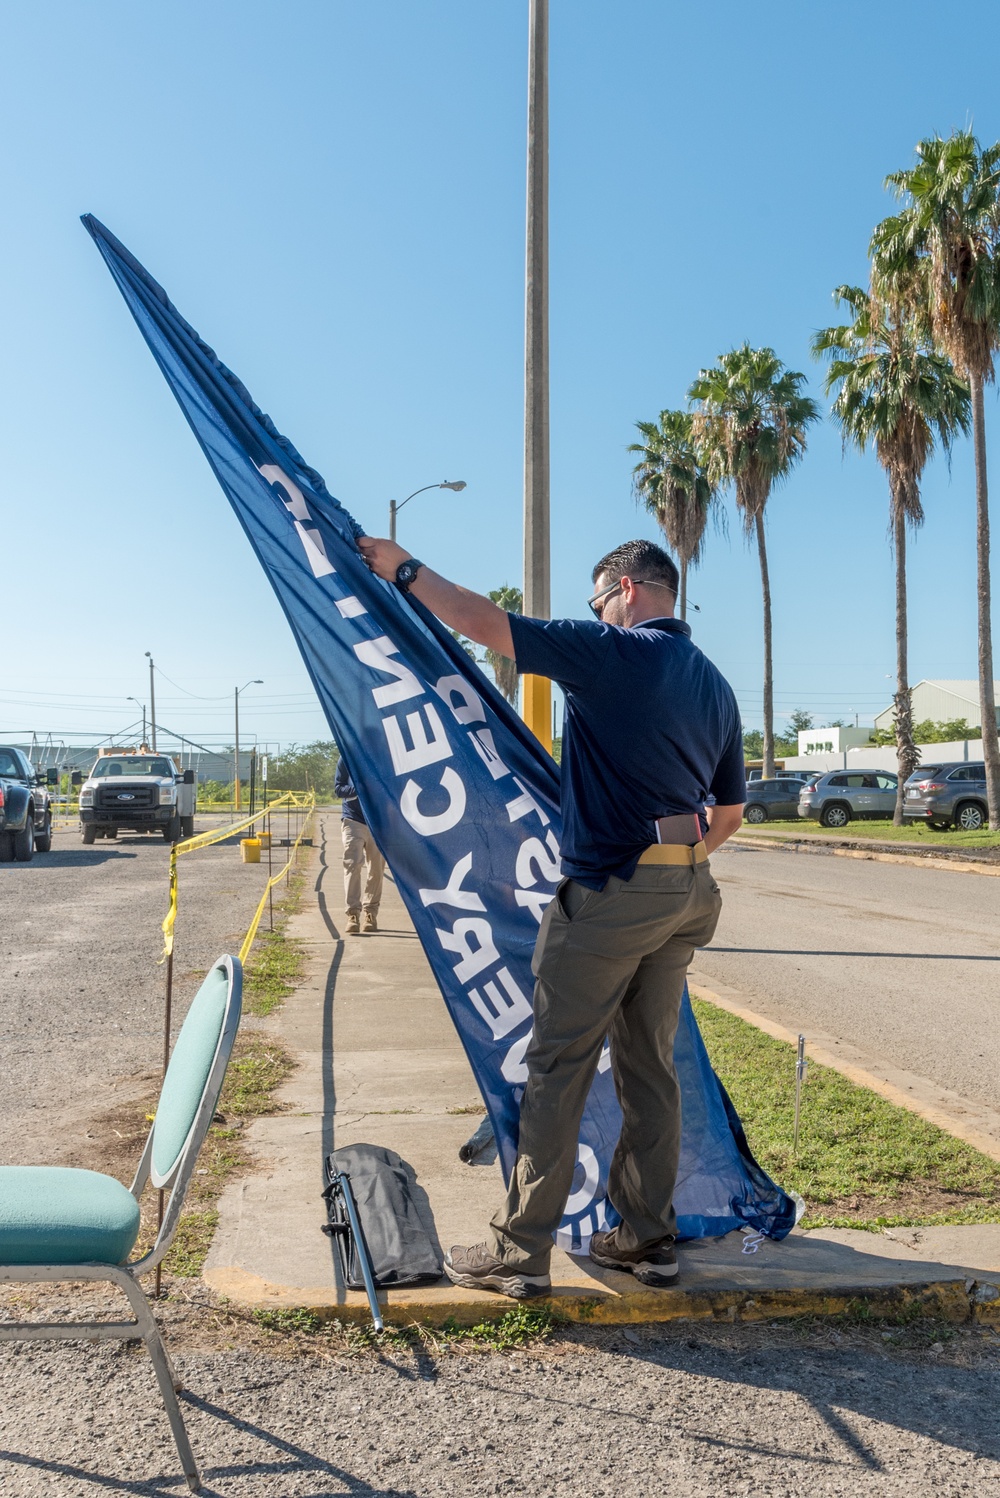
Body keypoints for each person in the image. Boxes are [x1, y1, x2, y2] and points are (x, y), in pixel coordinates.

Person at [358, 534, 746, 1298]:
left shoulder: (615, 651)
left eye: (598, 599)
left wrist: (403, 569)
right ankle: (646, 1239)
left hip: (614, 892)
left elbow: (482, 621)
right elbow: (729, 813)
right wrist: (671, 853)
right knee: (649, 1068)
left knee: (557, 1067)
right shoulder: (713, 682)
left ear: (628, 590)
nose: (595, 612)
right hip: (687, 889)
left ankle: (520, 1250)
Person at [334, 751, 384, 936]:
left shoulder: (383, 758)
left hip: (379, 822)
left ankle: (370, 913)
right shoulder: (347, 758)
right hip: (353, 820)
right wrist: (360, 789)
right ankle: (352, 914)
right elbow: (338, 788)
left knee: (376, 869)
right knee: (352, 865)